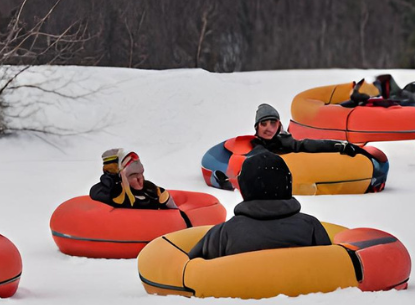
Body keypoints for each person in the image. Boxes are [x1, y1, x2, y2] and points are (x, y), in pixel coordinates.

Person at [190, 151, 331, 260]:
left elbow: (188, 268)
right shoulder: (311, 227)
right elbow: (332, 264)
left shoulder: (223, 233)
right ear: (287, 185)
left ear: (246, 188)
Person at [211, 104, 362, 190]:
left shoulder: (286, 142)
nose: (269, 128)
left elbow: (309, 145)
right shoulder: (254, 148)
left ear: (279, 125)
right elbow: (241, 167)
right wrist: (227, 182)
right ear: (257, 128)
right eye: (264, 124)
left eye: (273, 123)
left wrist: (338, 146)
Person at [90, 148, 177, 209]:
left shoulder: (152, 189)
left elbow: (175, 211)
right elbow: (97, 194)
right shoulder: (113, 192)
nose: (139, 179)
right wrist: (112, 177)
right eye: (133, 175)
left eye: (141, 173)